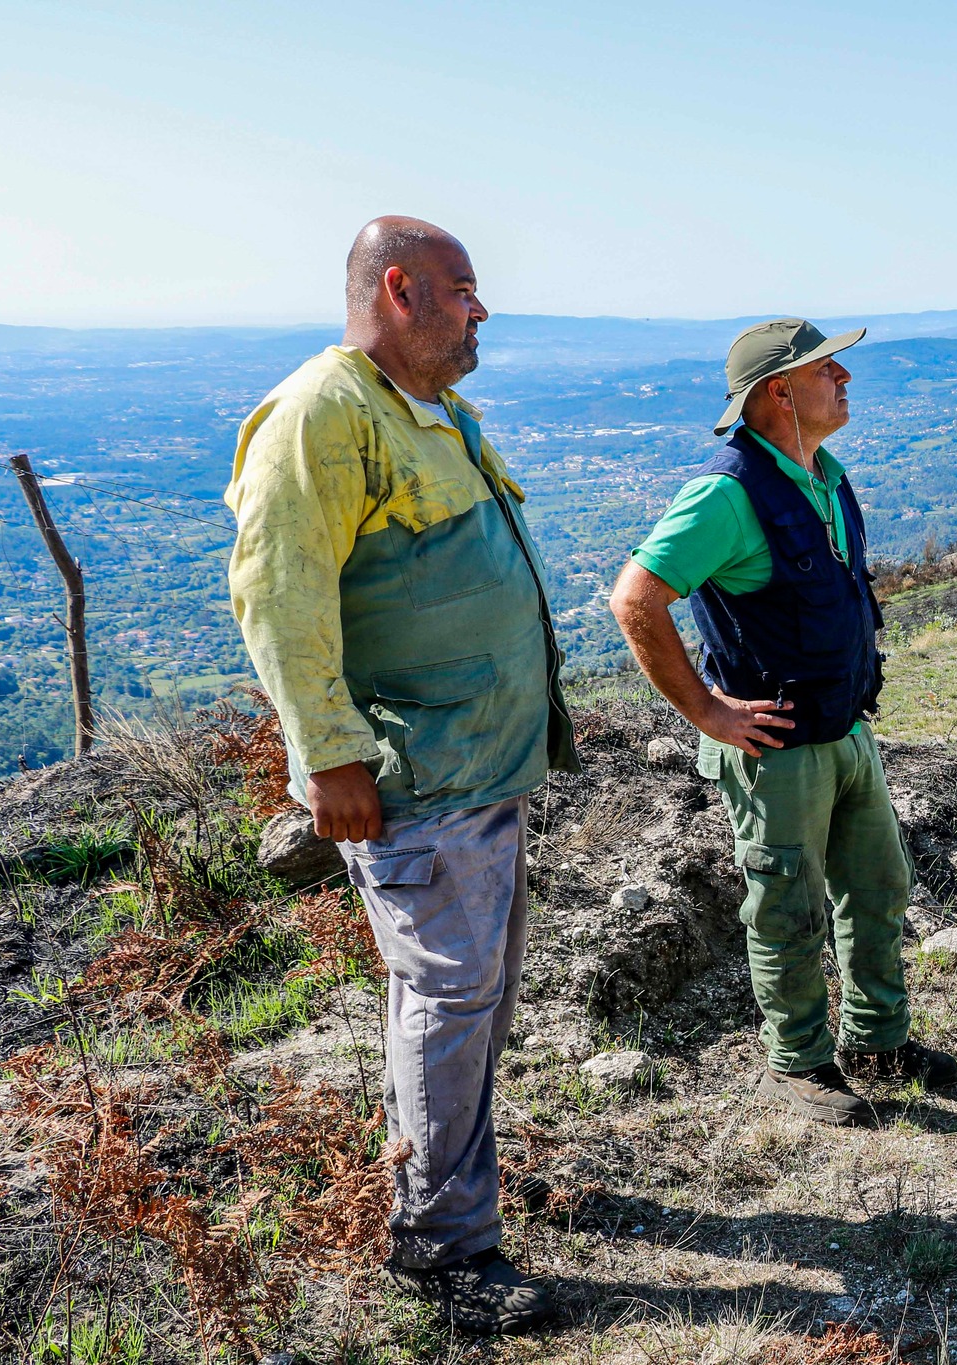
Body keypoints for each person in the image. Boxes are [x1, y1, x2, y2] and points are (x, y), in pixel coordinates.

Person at [226, 218, 577, 1334]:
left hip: (478, 768)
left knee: (458, 1001)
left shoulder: (428, 412)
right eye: (464, 292)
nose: (482, 311)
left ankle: (441, 1185)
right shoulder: (320, 414)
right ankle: (444, 1251)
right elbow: (279, 598)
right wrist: (326, 756)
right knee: (448, 1001)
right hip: (419, 777)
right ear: (399, 289)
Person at [608, 319, 956, 1128]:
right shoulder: (727, 494)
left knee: (877, 888)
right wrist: (706, 710)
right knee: (787, 904)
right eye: (825, 368)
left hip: (847, 732)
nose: (844, 378)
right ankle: (798, 1061)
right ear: (778, 391)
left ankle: (877, 1043)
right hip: (775, 751)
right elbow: (636, 599)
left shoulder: (824, 476)